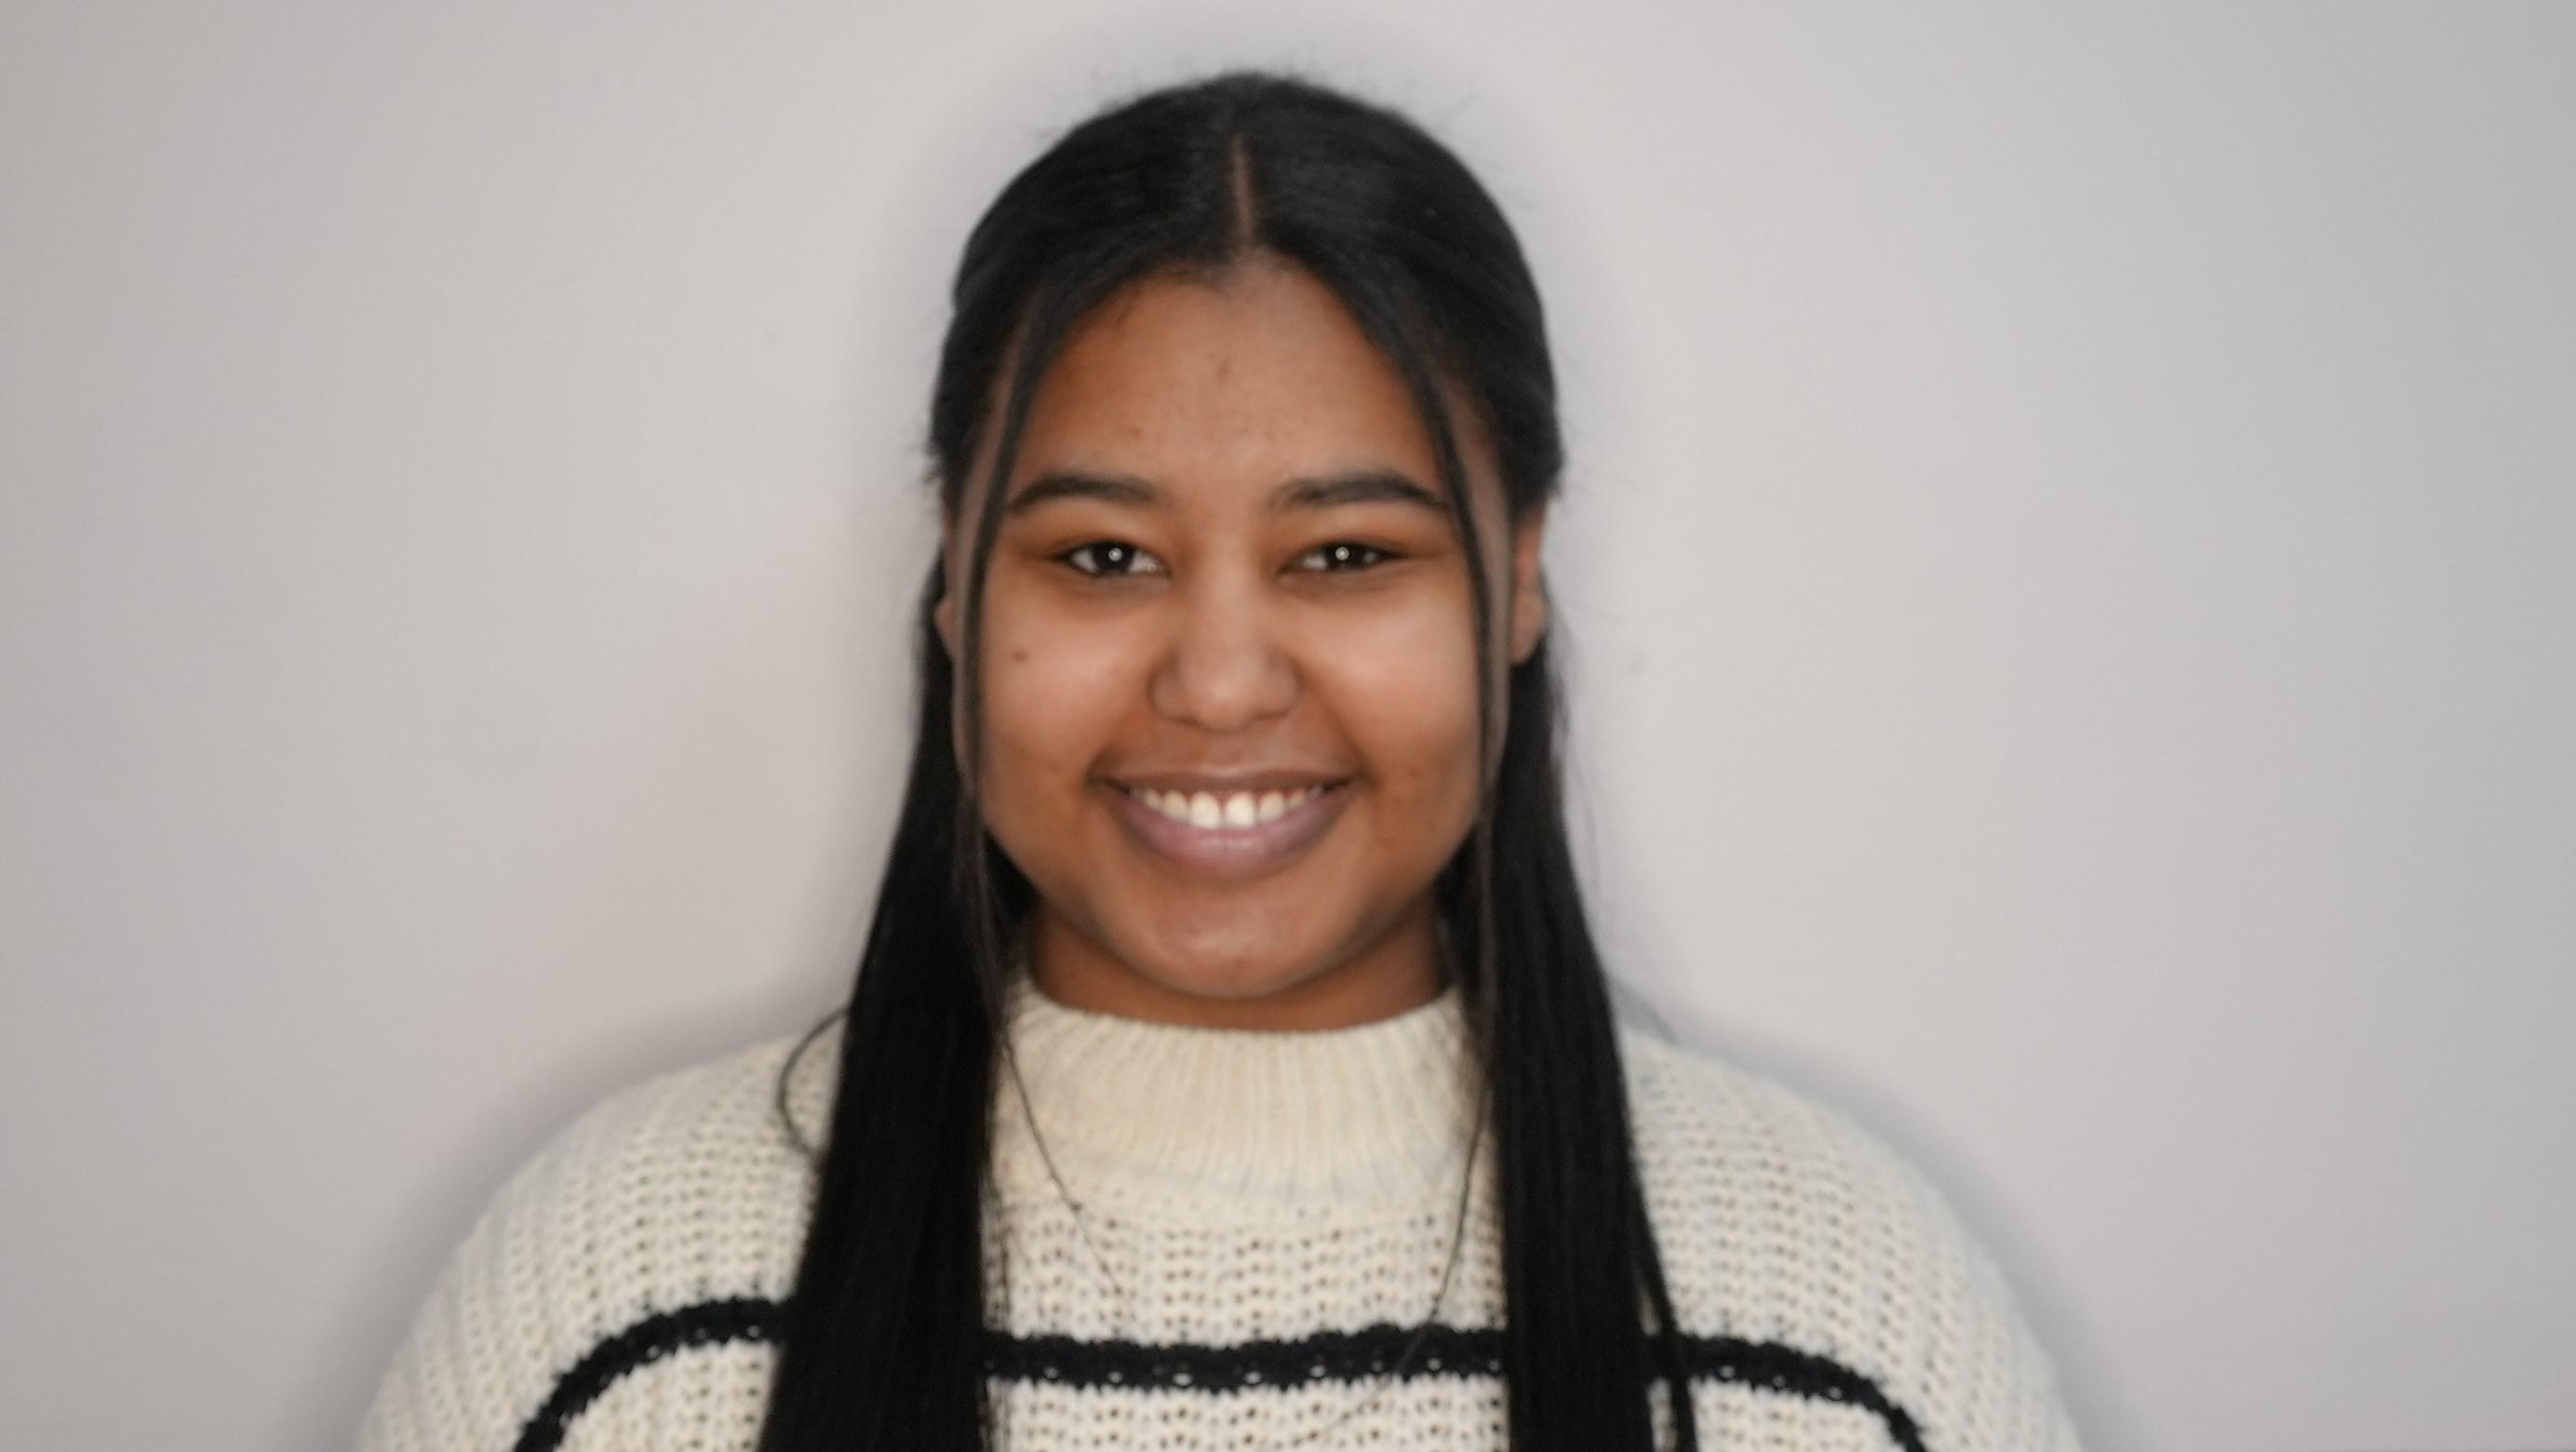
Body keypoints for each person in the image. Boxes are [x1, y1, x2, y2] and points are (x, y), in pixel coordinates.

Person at [357, 67, 2085, 1452]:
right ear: (958, 575)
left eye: (1346, 555)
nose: (1222, 684)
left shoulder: (1835, 1322)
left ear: (1519, 578)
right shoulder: (625, 1303)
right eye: (1105, 555)